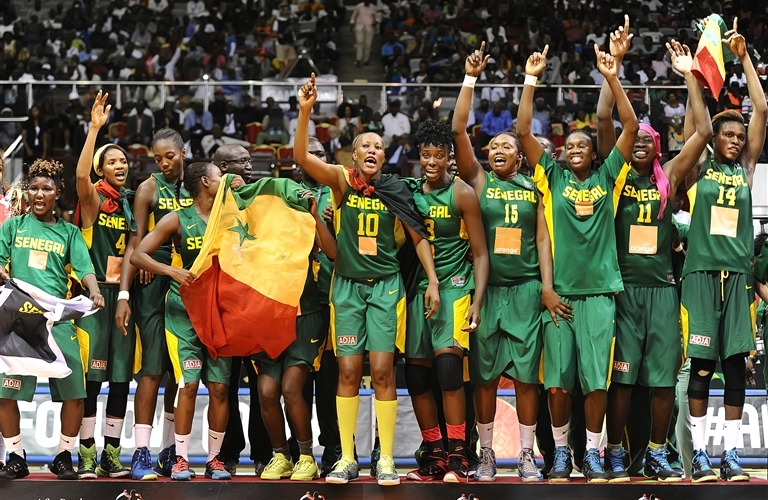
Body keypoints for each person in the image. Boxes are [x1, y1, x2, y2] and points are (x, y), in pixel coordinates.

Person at [295, 73, 440, 486]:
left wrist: (431, 280)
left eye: (379, 146)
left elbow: (419, 235)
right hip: (347, 287)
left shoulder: (395, 189)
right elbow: (304, 159)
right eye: (366, 146)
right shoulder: (341, 182)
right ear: (353, 156)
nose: (373, 149)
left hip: (386, 288)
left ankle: (388, 458)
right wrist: (306, 112)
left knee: (381, 374)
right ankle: (345, 457)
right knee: (346, 372)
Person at [596, 21, 713, 483]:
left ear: (658, 147)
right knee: (622, 378)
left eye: (648, 138)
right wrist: (614, 70)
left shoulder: (668, 178)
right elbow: (607, 121)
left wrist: (689, 75)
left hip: (664, 292)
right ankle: (620, 451)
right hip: (623, 289)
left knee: (663, 378)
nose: (640, 141)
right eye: (635, 138)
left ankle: (659, 451)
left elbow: (702, 133)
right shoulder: (616, 176)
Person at [518, 44, 639, 483]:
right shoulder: (550, 177)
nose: (573, 149)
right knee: (557, 384)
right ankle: (563, 453)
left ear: (593, 153)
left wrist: (612, 76)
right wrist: (531, 78)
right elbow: (522, 131)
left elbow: (630, 125)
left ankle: (593, 453)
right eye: (567, 145)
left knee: (596, 383)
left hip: (601, 295)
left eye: (582, 145)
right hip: (559, 297)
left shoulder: (611, 175)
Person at [452, 42, 568, 483]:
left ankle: (524, 454)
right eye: (494, 145)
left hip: (523, 293)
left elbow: (541, 239)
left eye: (507, 146)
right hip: (486, 292)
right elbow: (459, 130)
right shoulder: (477, 181)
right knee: (482, 378)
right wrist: (470, 79)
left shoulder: (532, 188)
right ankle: (485, 454)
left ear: (519, 156)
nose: (498, 148)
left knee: (525, 380)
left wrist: (546, 285)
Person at [679, 18, 766, 482]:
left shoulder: (747, 168)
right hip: (699, 276)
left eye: (739, 135)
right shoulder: (699, 170)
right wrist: (691, 76)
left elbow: (763, 109)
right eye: (727, 135)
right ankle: (700, 456)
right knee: (701, 367)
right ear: (714, 140)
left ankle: (731, 456)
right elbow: (696, 117)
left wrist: (743, 56)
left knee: (736, 369)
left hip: (738, 279)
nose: (735, 140)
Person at [131, 162, 244, 481]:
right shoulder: (177, 218)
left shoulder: (231, 218)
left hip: (222, 312)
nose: (224, 180)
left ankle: (214, 460)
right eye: (220, 177)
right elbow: (138, 255)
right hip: (183, 312)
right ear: (206, 182)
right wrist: (171, 271)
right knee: (189, 384)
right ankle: (180, 458)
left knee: (220, 389)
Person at [0, 159, 105, 480]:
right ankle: (16, 456)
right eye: (34, 188)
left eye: (47, 188)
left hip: (57, 320)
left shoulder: (69, 232)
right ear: (27, 191)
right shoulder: (13, 227)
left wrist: (95, 290)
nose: (39, 194)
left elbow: (85, 267)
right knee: (5, 392)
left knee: (75, 392)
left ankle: (63, 455)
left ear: (58, 193)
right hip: (19, 320)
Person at [403, 119, 488, 483]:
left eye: (439, 155)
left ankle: (459, 455)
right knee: (417, 377)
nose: (432, 161)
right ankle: (434, 453)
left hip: (454, 288)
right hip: (418, 290)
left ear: (450, 157)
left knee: (450, 372)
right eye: (426, 155)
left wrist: (477, 301)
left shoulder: (462, 192)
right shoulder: (408, 191)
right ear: (418, 157)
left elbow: (481, 254)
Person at [117, 129, 192, 481]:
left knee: (177, 371)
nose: (163, 163)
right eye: (157, 158)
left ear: (183, 152)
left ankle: (168, 451)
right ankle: (140, 452)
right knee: (150, 369)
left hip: (190, 281)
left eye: (169, 156)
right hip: (153, 282)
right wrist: (124, 293)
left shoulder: (197, 183)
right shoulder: (148, 189)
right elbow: (135, 244)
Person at [255, 167, 338, 481]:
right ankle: (281, 456)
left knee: (291, 389)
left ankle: (307, 457)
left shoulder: (304, 228)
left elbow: (332, 252)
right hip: (270, 323)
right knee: (266, 391)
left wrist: (316, 216)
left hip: (306, 320)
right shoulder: (258, 235)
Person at [72, 92, 137, 479]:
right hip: (93, 298)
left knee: (119, 379)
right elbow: (80, 177)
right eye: (112, 161)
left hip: (122, 297)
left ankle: (112, 453)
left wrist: (127, 292)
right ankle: (85, 452)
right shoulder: (95, 201)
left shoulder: (129, 204)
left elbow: (132, 252)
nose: (120, 165)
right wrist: (95, 129)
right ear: (100, 168)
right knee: (92, 380)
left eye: (124, 160)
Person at [350, 0, 377, 67]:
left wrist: (375, 23)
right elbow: (354, 16)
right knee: (359, 42)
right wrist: (352, 25)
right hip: (359, 26)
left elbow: (376, 17)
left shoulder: (373, 7)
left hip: (369, 27)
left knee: (368, 44)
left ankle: (365, 60)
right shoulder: (359, 6)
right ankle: (359, 59)